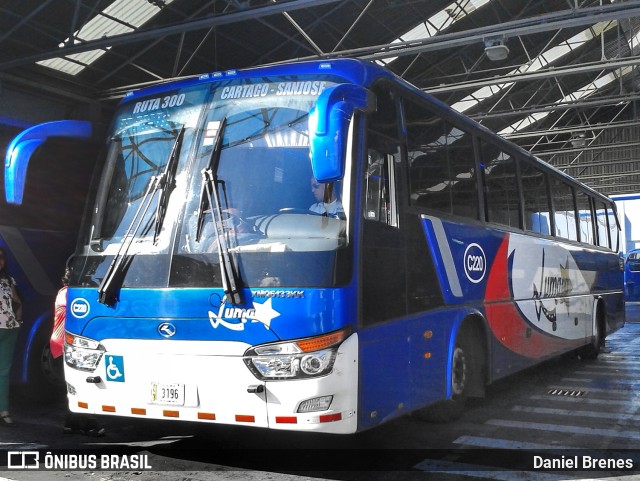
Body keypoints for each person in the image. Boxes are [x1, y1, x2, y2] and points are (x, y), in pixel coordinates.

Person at [51, 266, 105, 437]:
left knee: (74, 385)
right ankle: (89, 423)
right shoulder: (68, 294)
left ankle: (72, 422)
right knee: (80, 384)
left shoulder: (64, 292)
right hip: (65, 344)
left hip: (64, 343)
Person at [0, 247, 22, 428]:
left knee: (4, 372)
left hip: (9, 329)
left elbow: (17, 301)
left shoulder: (8, 280)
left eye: (1, 258)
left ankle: (4, 410)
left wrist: (19, 319)